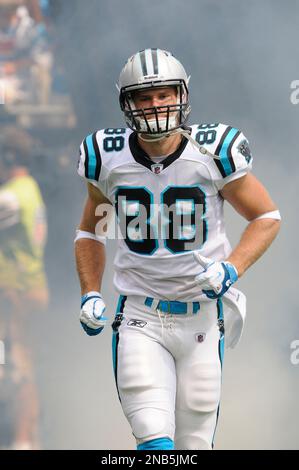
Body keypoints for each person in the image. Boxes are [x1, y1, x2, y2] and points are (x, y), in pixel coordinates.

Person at [75, 48, 281, 450]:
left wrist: (231, 268)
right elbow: (91, 231)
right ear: (126, 104)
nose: (155, 105)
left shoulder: (212, 153)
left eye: (164, 94)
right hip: (140, 317)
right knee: (155, 444)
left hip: (201, 318)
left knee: (194, 447)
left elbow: (266, 216)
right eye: (143, 97)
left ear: (182, 95)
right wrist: (90, 292)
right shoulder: (108, 159)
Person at [0, 126, 48, 450]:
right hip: (30, 288)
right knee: (22, 365)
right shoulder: (30, 188)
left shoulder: (10, 197)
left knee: (12, 367)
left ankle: (21, 440)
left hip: (14, 294)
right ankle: (27, 440)